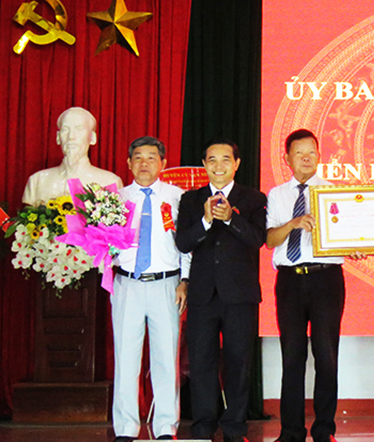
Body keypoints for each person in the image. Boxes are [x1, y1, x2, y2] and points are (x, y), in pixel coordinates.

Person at [175, 141, 267, 442]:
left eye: (225, 159)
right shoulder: (190, 200)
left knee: (239, 362)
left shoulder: (253, 198)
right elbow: (183, 243)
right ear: (204, 164)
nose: (218, 166)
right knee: (201, 362)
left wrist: (230, 218)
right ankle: (203, 426)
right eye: (212, 160)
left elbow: (257, 239)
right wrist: (205, 221)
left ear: (236, 164)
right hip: (202, 295)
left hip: (240, 295)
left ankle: (235, 428)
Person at [266, 129, 345, 442]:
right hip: (289, 280)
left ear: (319, 156)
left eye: (312, 152)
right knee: (292, 356)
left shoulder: (333, 192)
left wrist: (357, 243)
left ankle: (324, 429)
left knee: (326, 355)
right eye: (299, 153)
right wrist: (294, 223)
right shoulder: (277, 195)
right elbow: (270, 239)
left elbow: (348, 235)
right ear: (287, 158)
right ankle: (291, 431)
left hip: (326, 279)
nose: (306, 158)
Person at [111, 136, 190, 441]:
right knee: (126, 358)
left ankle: (165, 427)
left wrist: (185, 280)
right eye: (138, 158)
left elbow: (187, 245)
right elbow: (103, 242)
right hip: (126, 283)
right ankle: (125, 428)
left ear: (163, 164)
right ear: (129, 163)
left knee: (166, 358)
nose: (144, 163)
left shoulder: (178, 198)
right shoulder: (113, 199)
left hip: (166, 284)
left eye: (151, 158)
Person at [22, 107, 123, 205]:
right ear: (58, 137)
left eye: (79, 129)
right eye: (65, 130)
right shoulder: (37, 181)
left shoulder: (110, 182)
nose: (71, 137)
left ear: (92, 137)